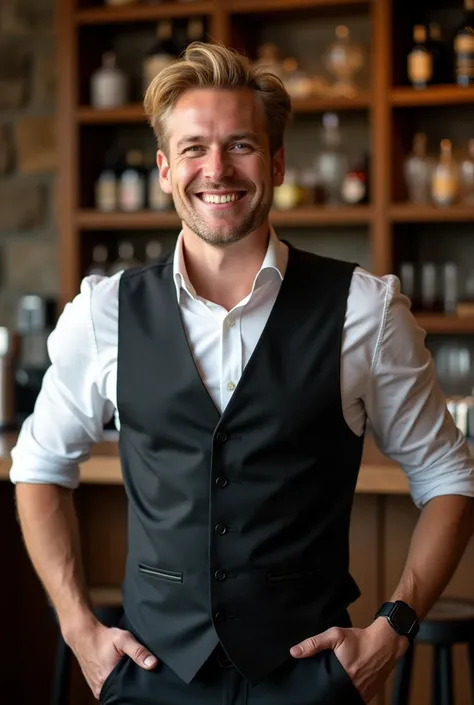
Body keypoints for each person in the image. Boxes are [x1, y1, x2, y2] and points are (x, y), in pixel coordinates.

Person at [10, 41, 474, 705]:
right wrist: (79, 626)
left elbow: (451, 476)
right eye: (194, 148)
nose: (217, 168)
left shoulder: (364, 310)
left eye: (241, 145)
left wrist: (393, 628)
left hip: (313, 679)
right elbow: (39, 466)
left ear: (278, 162)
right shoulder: (103, 312)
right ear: (166, 170)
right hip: (149, 678)